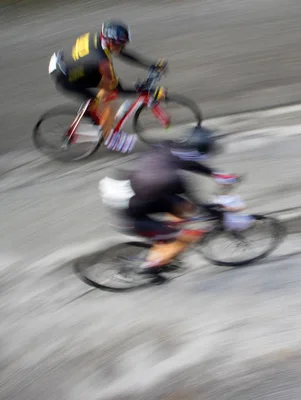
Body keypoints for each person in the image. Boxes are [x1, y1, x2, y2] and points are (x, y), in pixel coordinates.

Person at [99, 126, 240, 274]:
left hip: (138, 192)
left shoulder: (168, 146)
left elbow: (189, 163)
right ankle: (151, 266)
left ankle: (165, 233)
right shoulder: (173, 180)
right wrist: (219, 215)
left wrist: (216, 174)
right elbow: (200, 205)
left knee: (184, 208)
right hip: (132, 213)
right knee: (184, 235)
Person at [48, 19, 167, 153]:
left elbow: (123, 54)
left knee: (109, 93)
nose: (123, 47)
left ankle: (99, 121)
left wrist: (150, 64)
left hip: (76, 67)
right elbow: (118, 89)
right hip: (65, 78)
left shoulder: (102, 39)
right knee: (107, 104)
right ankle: (109, 139)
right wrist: (147, 92)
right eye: (121, 44)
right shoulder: (103, 62)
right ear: (111, 41)